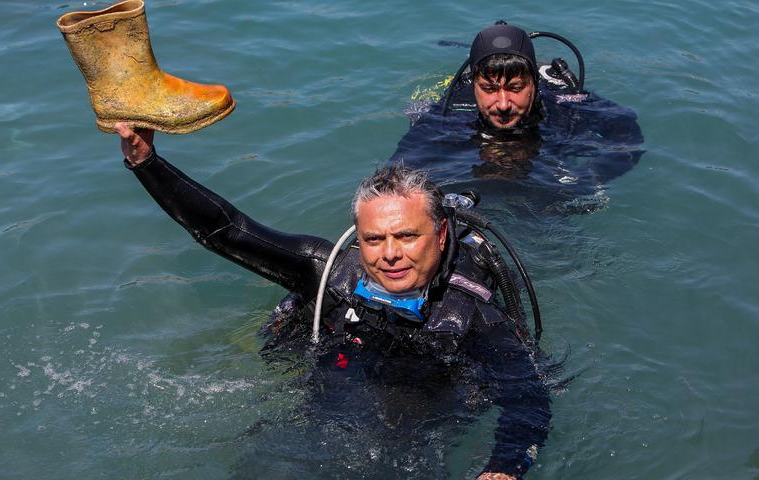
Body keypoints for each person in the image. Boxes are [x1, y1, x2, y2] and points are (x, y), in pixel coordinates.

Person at [114, 122, 550, 479]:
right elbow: (225, 230)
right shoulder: (326, 272)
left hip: (410, 437)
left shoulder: (472, 315)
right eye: (374, 239)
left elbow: (528, 399)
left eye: (407, 236)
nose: (390, 253)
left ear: (438, 236)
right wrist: (146, 163)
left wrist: (503, 468)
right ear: (357, 241)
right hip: (320, 414)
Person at [392, 21, 644, 214]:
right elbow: (398, 171)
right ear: (475, 86)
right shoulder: (453, 110)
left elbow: (626, 132)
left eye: (515, 88)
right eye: (489, 89)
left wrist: (590, 178)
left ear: (534, 82)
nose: (502, 104)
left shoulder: (561, 104)